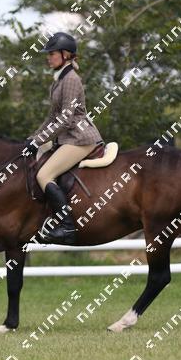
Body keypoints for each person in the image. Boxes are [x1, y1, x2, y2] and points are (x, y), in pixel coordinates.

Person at [24, 31, 103, 245]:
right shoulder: (58, 80)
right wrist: (33, 138)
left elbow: (65, 120)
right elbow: (52, 117)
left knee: (44, 175)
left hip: (79, 138)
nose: (48, 58)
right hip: (67, 138)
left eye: (52, 54)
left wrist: (39, 141)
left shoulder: (71, 79)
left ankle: (67, 227)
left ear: (65, 55)